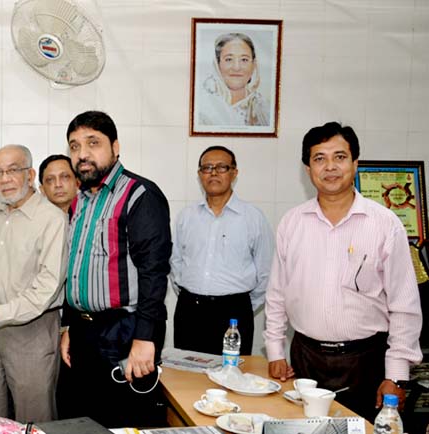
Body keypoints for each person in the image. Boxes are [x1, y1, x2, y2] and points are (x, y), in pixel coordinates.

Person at [264, 122, 422, 421]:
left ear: (355, 163)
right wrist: (275, 351)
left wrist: (397, 375)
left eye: (340, 157)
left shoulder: (384, 224)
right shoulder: (292, 222)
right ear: (308, 169)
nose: (330, 167)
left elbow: (405, 305)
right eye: (319, 158)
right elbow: (277, 293)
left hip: (365, 363)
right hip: (304, 361)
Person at [61, 111, 172, 428]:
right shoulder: (80, 201)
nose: (82, 154)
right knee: (84, 421)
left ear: (115, 146)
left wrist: (145, 339)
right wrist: (70, 326)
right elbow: (77, 268)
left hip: (124, 333)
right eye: (74, 146)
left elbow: (154, 273)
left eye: (92, 143)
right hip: (84, 334)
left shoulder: (139, 195)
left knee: (124, 422)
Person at [0, 144, 67, 423]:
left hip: (32, 332)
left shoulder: (52, 219)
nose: (5, 178)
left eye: (13, 170)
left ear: (30, 174)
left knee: (34, 418)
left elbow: (46, 289)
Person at [170, 145, 273, 355]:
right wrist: (192, 294)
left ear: (234, 173)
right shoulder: (186, 216)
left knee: (232, 379)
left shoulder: (252, 217)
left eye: (221, 167)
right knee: (186, 380)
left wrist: (240, 305)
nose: (213, 173)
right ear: (199, 175)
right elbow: (175, 263)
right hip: (190, 310)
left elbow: (266, 272)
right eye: (207, 168)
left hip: (234, 313)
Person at [196, 33, 270, 127]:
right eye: (229, 59)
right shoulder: (203, 109)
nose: (236, 67)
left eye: (244, 60)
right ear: (217, 65)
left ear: (254, 65)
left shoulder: (264, 108)